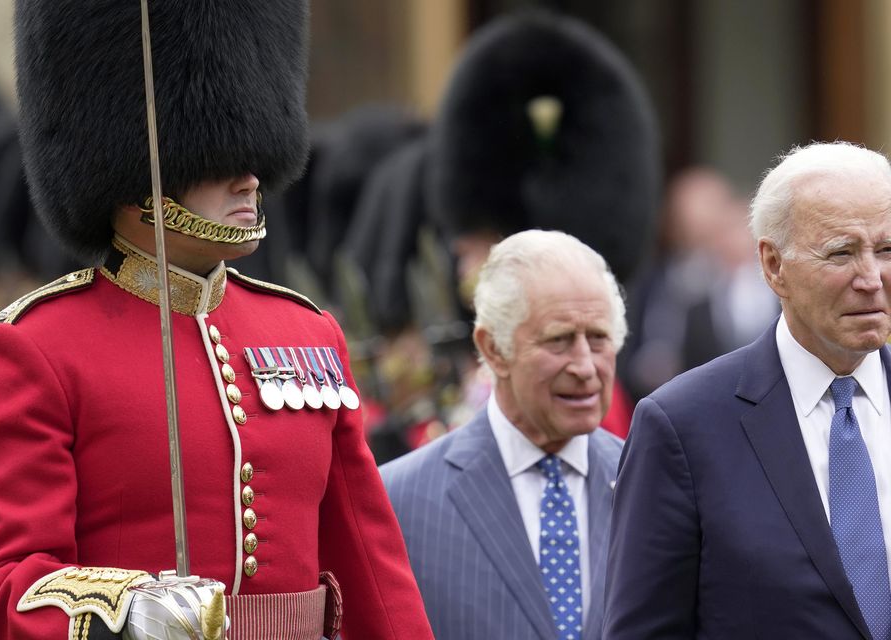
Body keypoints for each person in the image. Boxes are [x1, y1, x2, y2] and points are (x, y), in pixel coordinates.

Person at [0, 2, 433, 639]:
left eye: (253, 150)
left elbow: (374, 573)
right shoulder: (37, 350)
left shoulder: (308, 333)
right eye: (216, 156)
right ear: (132, 181)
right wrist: (124, 614)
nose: (249, 176)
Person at [604, 141, 891, 639]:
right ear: (773, 265)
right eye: (841, 253)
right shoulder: (682, 427)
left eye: (887, 250)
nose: (871, 278)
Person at [381, 229, 626, 640]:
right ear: (493, 349)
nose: (585, 366)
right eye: (559, 341)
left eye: (599, 339)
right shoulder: (401, 499)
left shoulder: (652, 482)